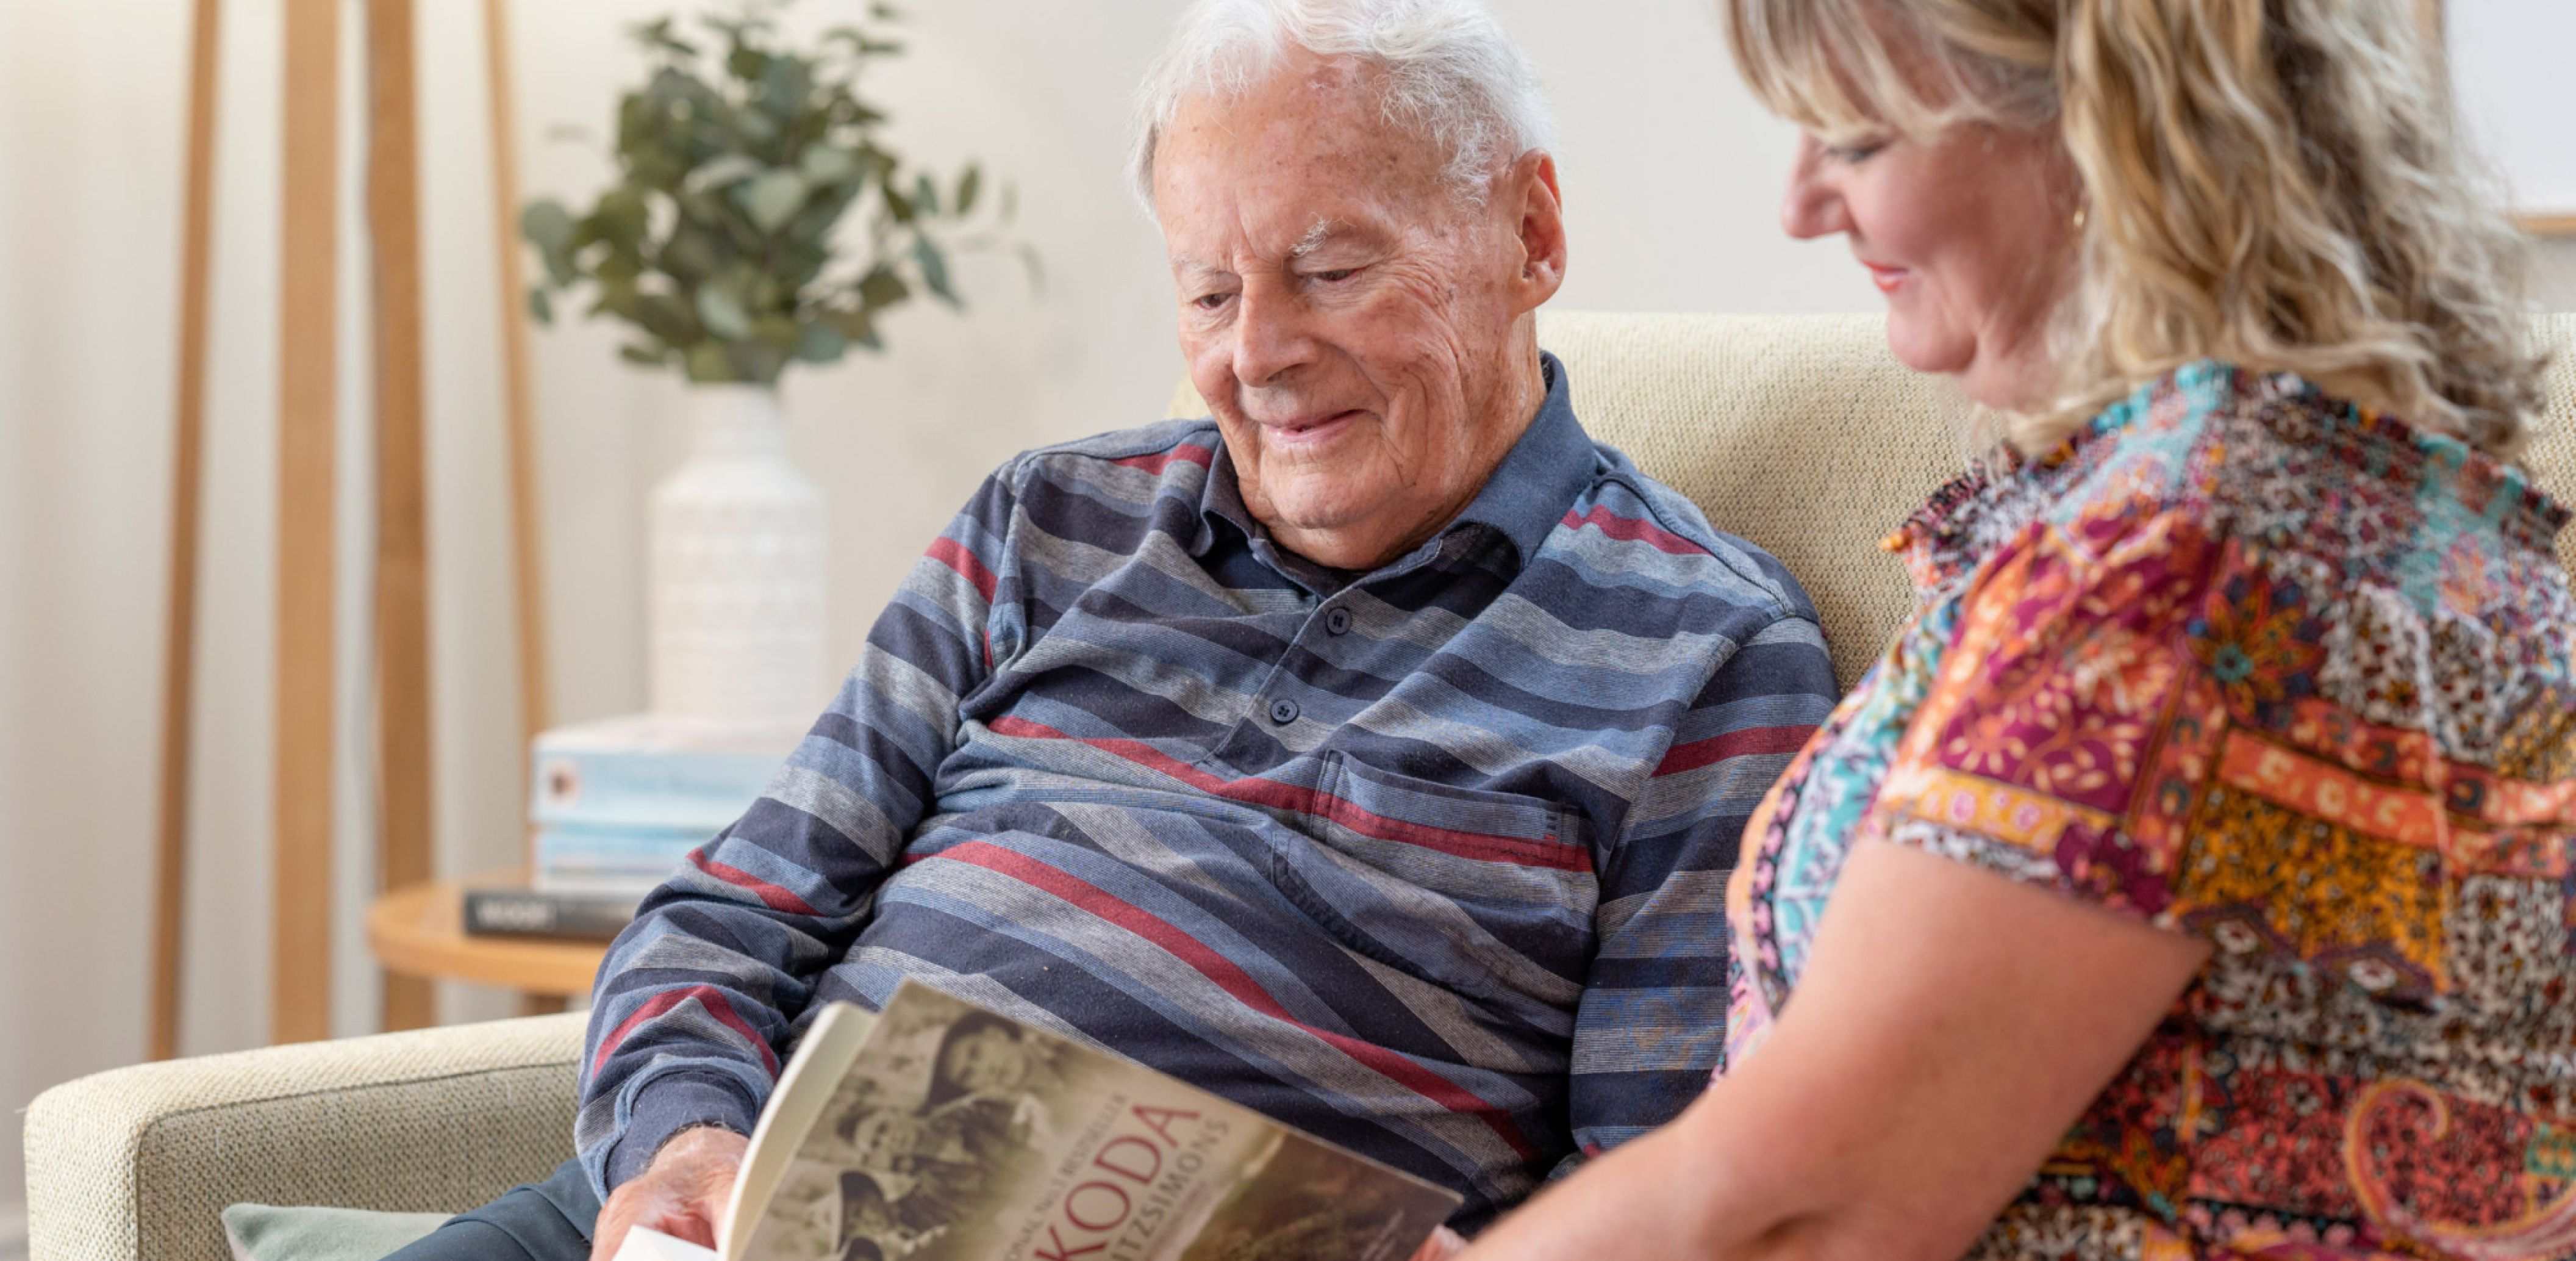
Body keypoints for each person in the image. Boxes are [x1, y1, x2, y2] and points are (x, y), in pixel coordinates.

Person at [383, 2, 1839, 1259]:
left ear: (1529, 233)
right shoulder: (1051, 518)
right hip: (734, 1218)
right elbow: (728, 915)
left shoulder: (1707, 653)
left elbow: (1666, 1175)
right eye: (1210, 290)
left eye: (1331, 271)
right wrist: (684, 1144)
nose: (1255, 354)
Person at [1451, 1, 2574, 1259]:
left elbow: (1813, 1200)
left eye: (1860, 139)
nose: (1802, 207)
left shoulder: (2185, 566)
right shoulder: (2331, 504)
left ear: (2112, 136)